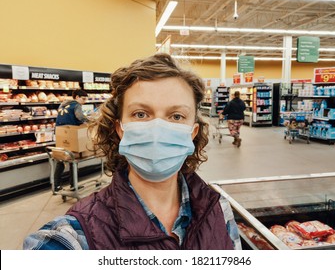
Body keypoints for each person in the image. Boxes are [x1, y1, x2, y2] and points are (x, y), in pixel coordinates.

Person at [23, 53, 241, 250]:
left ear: (192, 132)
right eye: (140, 114)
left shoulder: (219, 209)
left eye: (176, 116)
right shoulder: (78, 234)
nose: (157, 129)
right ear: (120, 129)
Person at [53, 89, 89, 193]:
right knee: (73, 159)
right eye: (83, 99)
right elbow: (79, 116)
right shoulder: (76, 105)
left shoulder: (63, 104)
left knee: (61, 159)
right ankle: (73, 185)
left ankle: (56, 186)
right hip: (71, 134)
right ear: (77, 97)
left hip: (60, 133)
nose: (84, 101)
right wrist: (90, 121)